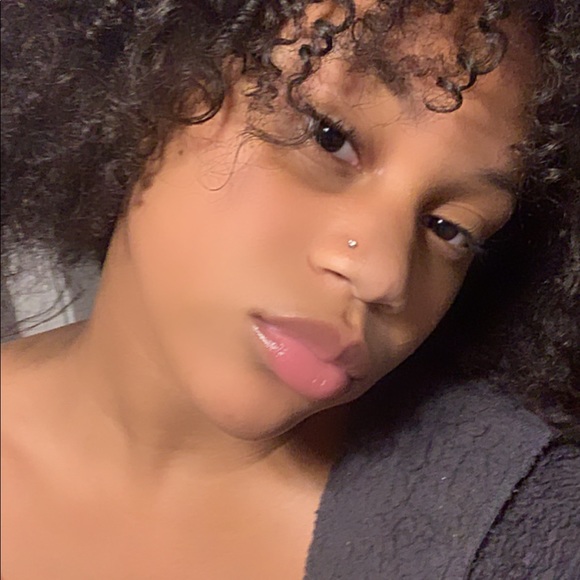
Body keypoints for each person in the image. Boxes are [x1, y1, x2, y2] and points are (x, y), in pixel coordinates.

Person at [1, 1, 578, 578]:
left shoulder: (517, 529)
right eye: (330, 137)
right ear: (160, 73)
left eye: (450, 228)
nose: (385, 274)